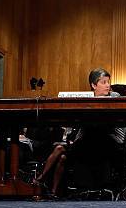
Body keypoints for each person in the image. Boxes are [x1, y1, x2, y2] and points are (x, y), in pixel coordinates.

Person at [33, 68, 120, 196]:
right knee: (61, 155)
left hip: (105, 141)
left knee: (60, 151)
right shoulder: (84, 100)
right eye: (103, 82)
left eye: (108, 82)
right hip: (84, 141)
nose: (108, 85)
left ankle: (41, 178)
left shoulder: (114, 97)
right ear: (93, 85)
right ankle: (53, 191)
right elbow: (75, 126)